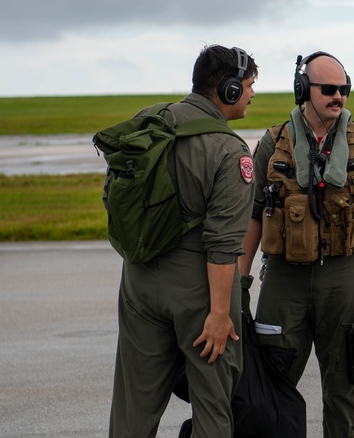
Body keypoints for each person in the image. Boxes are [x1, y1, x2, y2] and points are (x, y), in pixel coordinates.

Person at [238, 51, 354, 438]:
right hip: (283, 280)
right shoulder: (272, 143)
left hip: (345, 279)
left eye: (344, 89)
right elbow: (253, 215)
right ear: (303, 90)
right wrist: (239, 284)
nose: (338, 96)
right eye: (328, 89)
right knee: (273, 383)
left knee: (344, 387)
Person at [109, 44, 259, 438]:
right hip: (199, 290)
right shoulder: (231, 151)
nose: (252, 93)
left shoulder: (150, 121)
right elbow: (223, 245)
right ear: (228, 90)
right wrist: (221, 314)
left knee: (132, 409)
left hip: (139, 280)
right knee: (213, 406)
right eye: (248, 85)